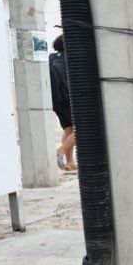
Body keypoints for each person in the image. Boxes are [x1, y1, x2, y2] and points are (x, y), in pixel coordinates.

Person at [49, 35, 76, 171]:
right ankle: (60, 151)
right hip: (69, 98)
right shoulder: (70, 58)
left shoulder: (52, 58)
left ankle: (70, 162)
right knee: (82, 129)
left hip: (56, 100)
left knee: (69, 128)